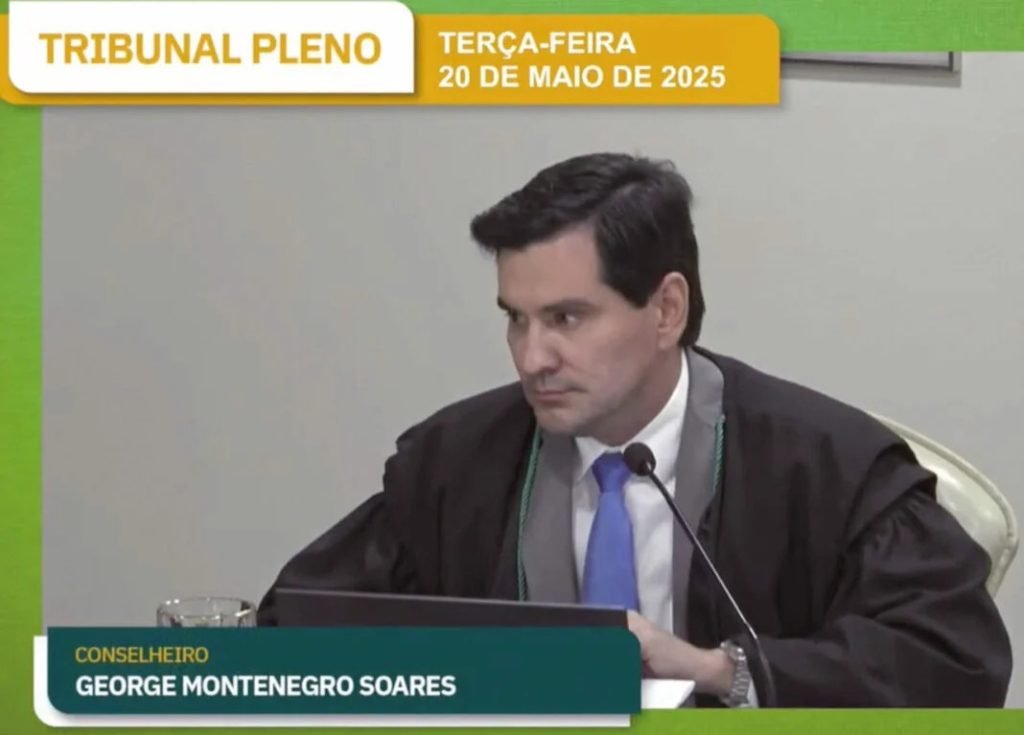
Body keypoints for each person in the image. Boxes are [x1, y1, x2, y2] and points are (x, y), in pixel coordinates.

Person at [257, 152, 1012, 707]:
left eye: (567, 318)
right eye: (516, 320)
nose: (532, 357)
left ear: (666, 310)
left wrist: (716, 669)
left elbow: (950, 664)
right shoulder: (455, 462)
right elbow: (299, 628)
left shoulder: (825, 465)